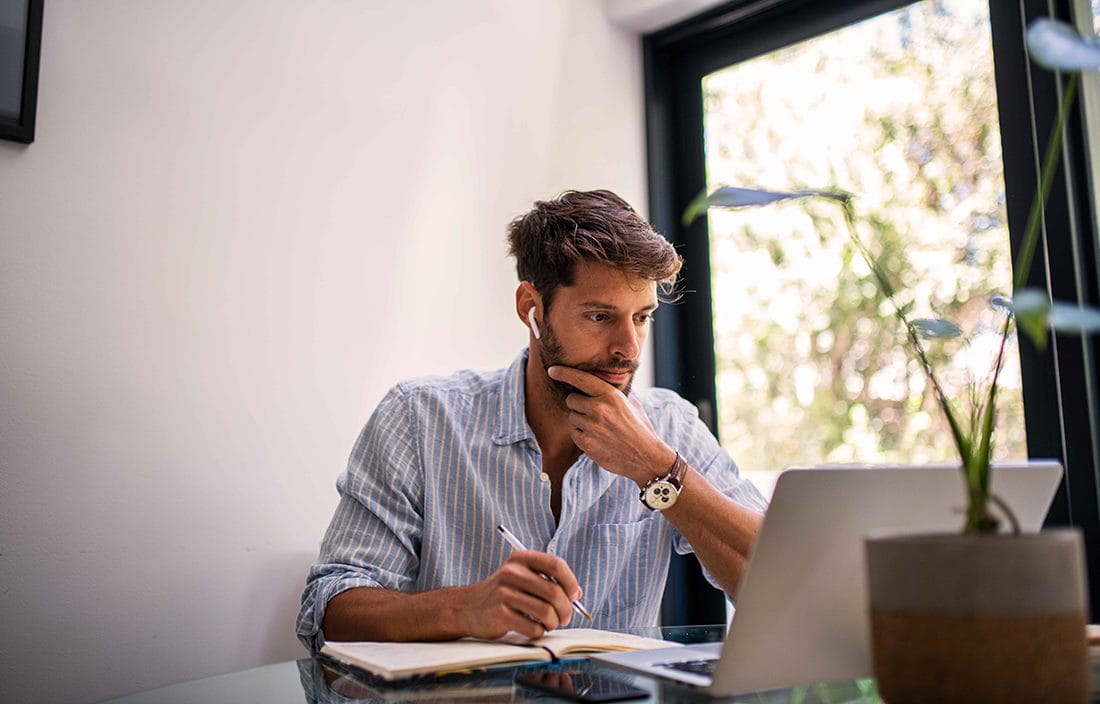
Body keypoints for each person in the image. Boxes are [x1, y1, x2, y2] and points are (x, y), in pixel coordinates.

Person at [296, 190, 766, 651]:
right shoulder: (419, 418)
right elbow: (329, 609)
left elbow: (777, 582)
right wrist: (465, 609)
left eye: (641, 317)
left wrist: (657, 468)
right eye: (600, 316)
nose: (629, 347)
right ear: (531, 308)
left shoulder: (669, 427)